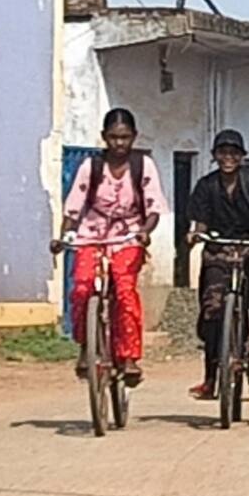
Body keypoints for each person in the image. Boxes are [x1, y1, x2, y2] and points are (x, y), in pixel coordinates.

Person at [54, 108, 166, 386]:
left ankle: (128, 357)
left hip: (128, 237)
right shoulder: (90, 167)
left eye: (125, 137)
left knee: (125, 289)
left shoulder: (143, 165)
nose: (119, 144)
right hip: (90, 235)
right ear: (104, 137)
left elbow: (153, 207)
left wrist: (144, 232)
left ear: (134, 137)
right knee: (81, 287)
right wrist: (63, 237)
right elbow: (73, 208)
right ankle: (85, 347)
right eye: (114, 137)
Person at [186, 129, 249, 401]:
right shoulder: (206, 186)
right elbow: (200, 223)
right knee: (213, 309)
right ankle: (209, 379)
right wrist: (195, 234)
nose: (228, 158)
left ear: (242, 156)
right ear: (215, 156)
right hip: (219, 248)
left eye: (233, 153)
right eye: (223, 153)